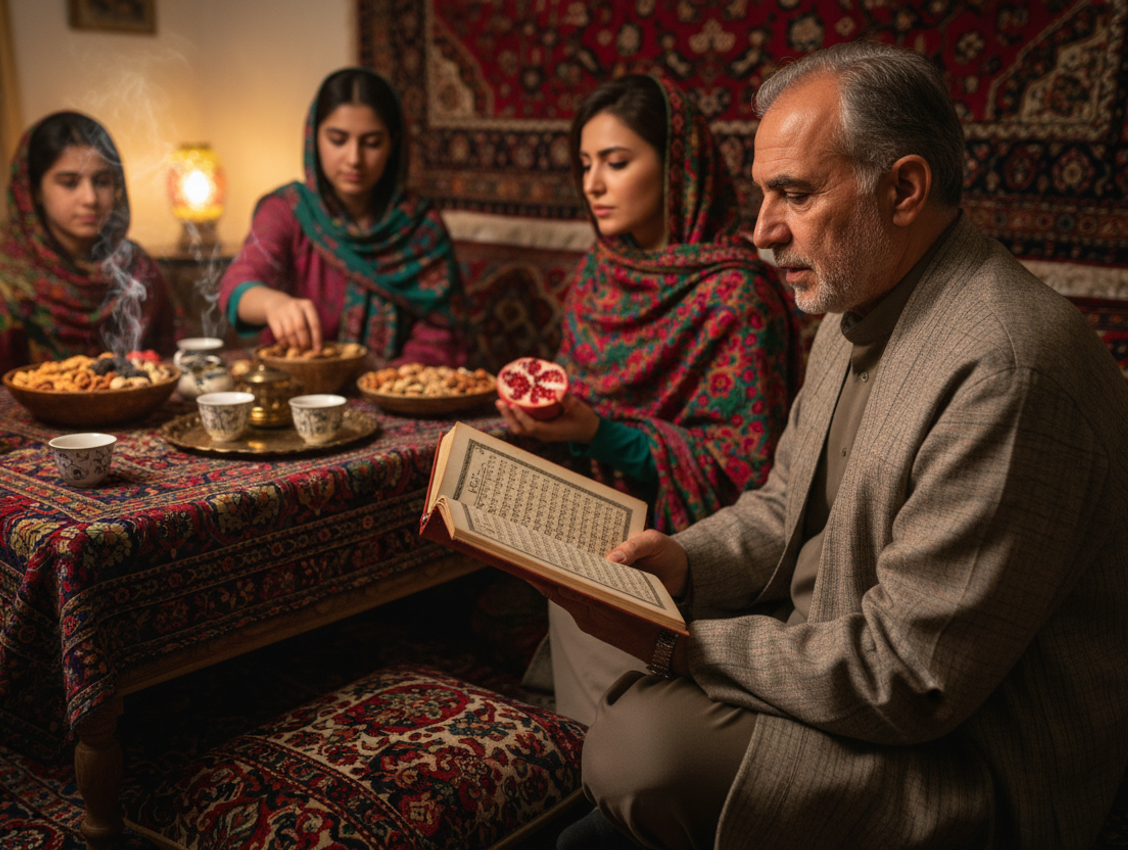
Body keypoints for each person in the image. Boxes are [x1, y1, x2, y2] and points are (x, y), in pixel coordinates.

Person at [552, 42, 1128, 850]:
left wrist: (681, 644)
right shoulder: (851, 309)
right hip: (827, 657)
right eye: (761, 195)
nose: (760, 232)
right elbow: (785, 506)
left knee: (637, 750)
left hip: (962, 759)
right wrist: (684, 565)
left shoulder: (1008, 368)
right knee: (584, 609)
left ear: (904, 188)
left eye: (793, 193)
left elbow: (910, 677)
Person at [496, 75, 797, 725]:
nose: (593, 185)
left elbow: (748, 475)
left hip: (683, 557)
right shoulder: (600, 273)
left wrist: (601, 432)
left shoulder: (737, 297)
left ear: (678, 168)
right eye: (585, 165)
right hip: (573, 530)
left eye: (617, 162)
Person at [218, 67, 470, 368]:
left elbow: (442, 334)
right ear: (314, 137)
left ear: (393, 144)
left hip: (398, 396)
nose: (354, 159)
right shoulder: (287, 210)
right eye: (338, 140)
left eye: (372, 143)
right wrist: (273, 304)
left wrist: (387, 382)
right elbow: (238, 287)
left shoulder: (420, 225)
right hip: (297, 394)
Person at [0, 111, 177, 386]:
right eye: (69, 183)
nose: (90, 199)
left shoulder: (136, 266)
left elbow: (174, 359)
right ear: (34, 190)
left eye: (101, 181)